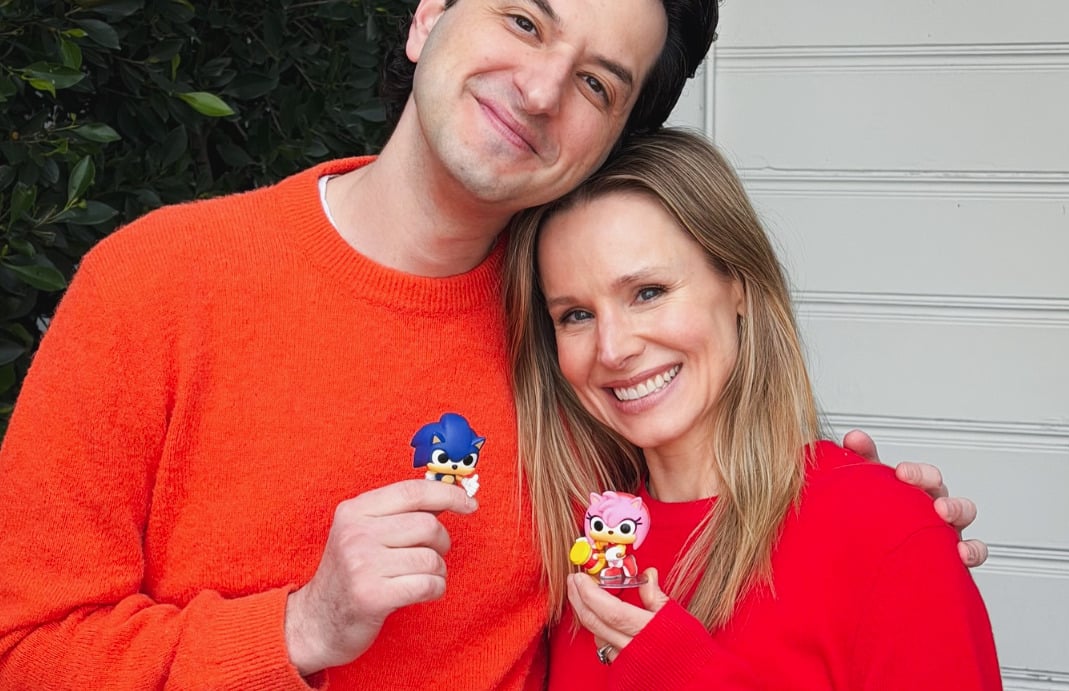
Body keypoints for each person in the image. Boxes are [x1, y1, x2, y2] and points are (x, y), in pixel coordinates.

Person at [0, 1, 981, 688]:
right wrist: (298, 626)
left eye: (596, 82)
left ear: (608, 143)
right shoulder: (156, 282)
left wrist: (885, 535)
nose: (543, 87)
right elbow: (21, 650)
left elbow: (727, 512)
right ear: (428, 16)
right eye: (523, 20)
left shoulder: (582, 358)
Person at [504, 128, 1002, 689]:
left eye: (648, 292)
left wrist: (685, 674)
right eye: (575, 315)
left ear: (738, 285)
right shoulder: (583, 548)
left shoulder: (883, 528)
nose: (613, 349)